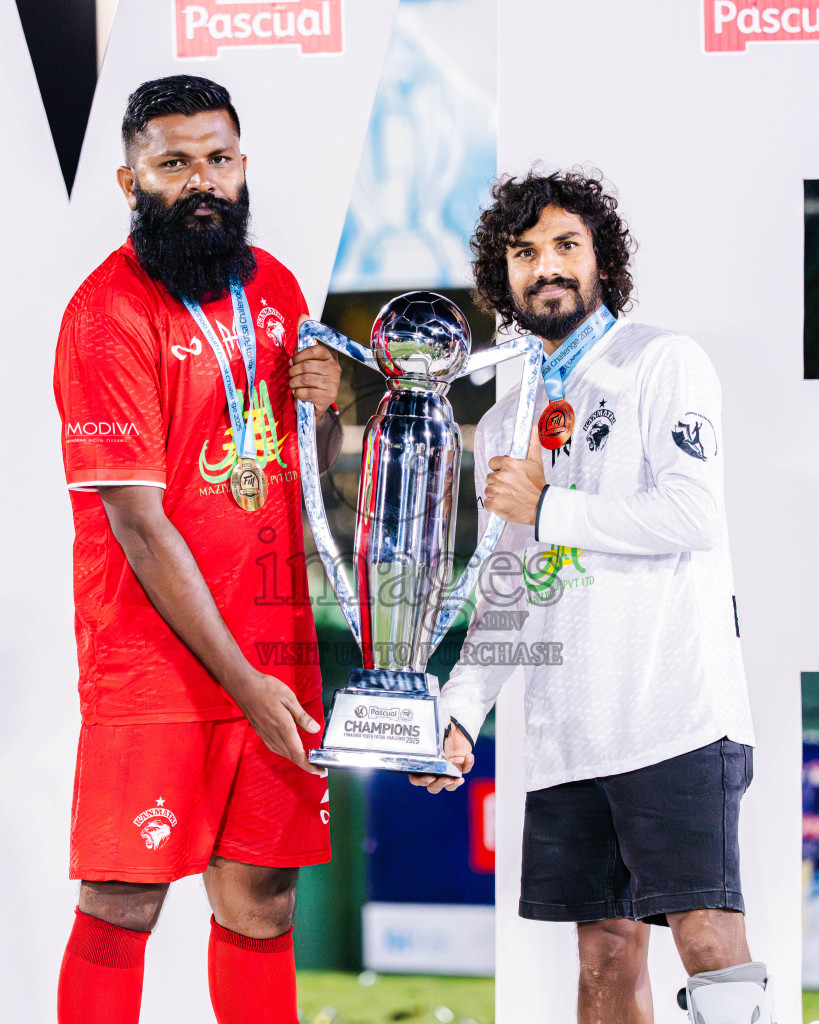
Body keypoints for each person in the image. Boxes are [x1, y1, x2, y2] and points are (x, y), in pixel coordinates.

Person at [411, 169, 775, 1024]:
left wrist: (545, 505)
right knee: (602, 960)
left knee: (710, 939)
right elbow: (511, 586)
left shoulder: (661, 361)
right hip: (569, 735)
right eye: (524, 252)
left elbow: (690, 513)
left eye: (565, 246)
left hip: (673, 715)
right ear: (503, 278)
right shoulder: (504, 422)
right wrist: (461, 712)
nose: (547, 267)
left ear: (600, 262)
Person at [53, 75, 342, 1024]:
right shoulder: (106, 313)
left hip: (273, 651)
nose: (201, 180)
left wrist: (327, 410)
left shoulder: (278, 288)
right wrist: (242, 685)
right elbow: (138, 520)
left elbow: (298, 472)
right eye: (173, 163)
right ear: (131, 182)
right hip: (156, 666)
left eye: (217, 159)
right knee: (122, 900)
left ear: (243, 165)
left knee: (262, 901)